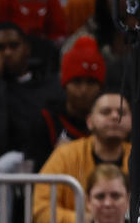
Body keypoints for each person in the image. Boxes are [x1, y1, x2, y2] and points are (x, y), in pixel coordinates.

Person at [0, 22, 62, 170]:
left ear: (27, 49)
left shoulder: (49, 87)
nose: (7, 53)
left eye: (14, 46)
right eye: (0, 48)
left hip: (40, 168)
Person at [33, 91, 132, 223]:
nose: (115, 116)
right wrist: (83, 220)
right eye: (105, 112)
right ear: (89, 121)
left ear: (132, 120)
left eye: (122, 113)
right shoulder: (65, 155)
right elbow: (40, 209)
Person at [25, 35, 106, 169]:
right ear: (64, 84)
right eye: (77, 82)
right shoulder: (46, 121)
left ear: (101, 87)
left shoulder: (109, 121)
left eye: (91, 82)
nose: (84, 90)